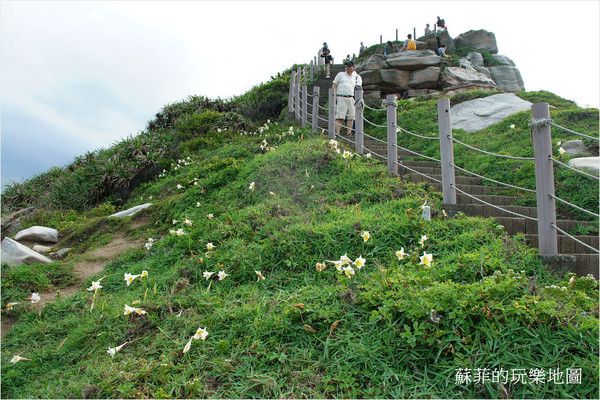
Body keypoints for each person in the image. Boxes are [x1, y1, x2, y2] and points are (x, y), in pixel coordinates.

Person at [332, 61, 362, 136]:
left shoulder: (354, 77)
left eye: (349, 66)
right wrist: (333, 96)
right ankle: (338, 132)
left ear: (353, 68)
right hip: (341, 96)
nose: (348, 67)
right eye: (347, 66)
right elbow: (334, 85)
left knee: (351, 117)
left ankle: (349, 133)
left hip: (351, 97)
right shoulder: (340, 74)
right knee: (340, 116)